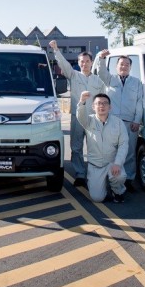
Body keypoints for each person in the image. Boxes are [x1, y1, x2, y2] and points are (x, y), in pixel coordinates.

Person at [49, 41, 105, 189]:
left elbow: (103, 100)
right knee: (76, 147)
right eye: (82, 61)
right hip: (77, 117)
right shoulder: (73, 75)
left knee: (95, 147)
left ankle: (94, 174)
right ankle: (80, 174)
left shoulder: (98, 81)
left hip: (93, 119)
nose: (84, 64)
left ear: (91, 62)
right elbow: (64, 64)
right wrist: (56, 50)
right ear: (78, 63)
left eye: (87, 61)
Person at [96, 49, 144, 191]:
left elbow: (139, 103)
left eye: (127, 64)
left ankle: (129, 179)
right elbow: (101, 72)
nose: (124, 66)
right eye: (121, 64)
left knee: (129, 152)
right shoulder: (110, 79)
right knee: (112, 152)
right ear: (116, 66)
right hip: (113, 121)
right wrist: (102, 58)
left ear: (130, 67)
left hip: (130, 123)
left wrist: (137, 120)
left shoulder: (137, 83)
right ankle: (111, 178)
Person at [75, 91, 127, 203]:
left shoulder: (118, 123)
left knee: (119, 177)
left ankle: (117, 191)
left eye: (105, 103)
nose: (102, 106)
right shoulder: (88, 121)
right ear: (93, 107)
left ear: (110, 107)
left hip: (112, 163)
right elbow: (80, 116)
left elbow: (123, 145)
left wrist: (117, 163)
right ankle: (98, 183)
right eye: (98, 103)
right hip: (95, 165)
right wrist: (82, 102)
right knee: (97, 198)